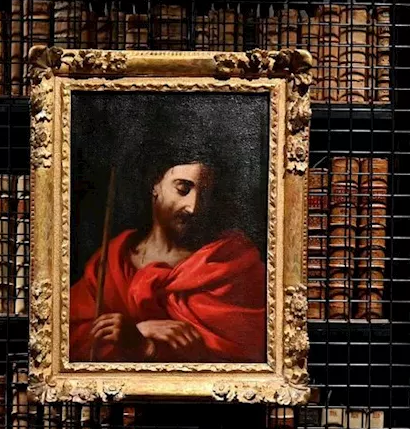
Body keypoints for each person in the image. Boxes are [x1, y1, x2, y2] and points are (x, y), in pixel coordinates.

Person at [68, 146, 266, 363]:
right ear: (155, 184)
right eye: (183, 188)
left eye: (206, 194)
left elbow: (246, 358)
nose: (193, 207)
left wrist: (146, 346)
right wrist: (139, 330)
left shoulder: (229, 262)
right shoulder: (112, 259)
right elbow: (71, 342)